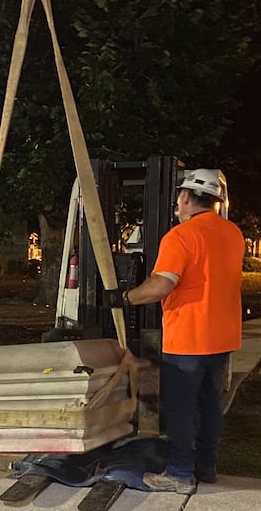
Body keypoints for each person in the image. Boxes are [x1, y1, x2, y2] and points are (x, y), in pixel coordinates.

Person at [104, 168, 245, 494]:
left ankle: (180, 473)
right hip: (222, 337)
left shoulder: (181, 236)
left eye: (178, 199)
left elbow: (162, 284)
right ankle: (206, 465)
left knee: (181, 408)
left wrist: (126, 297)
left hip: (188, 339)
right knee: (210, 404)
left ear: (184, 197)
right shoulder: (232, 233)